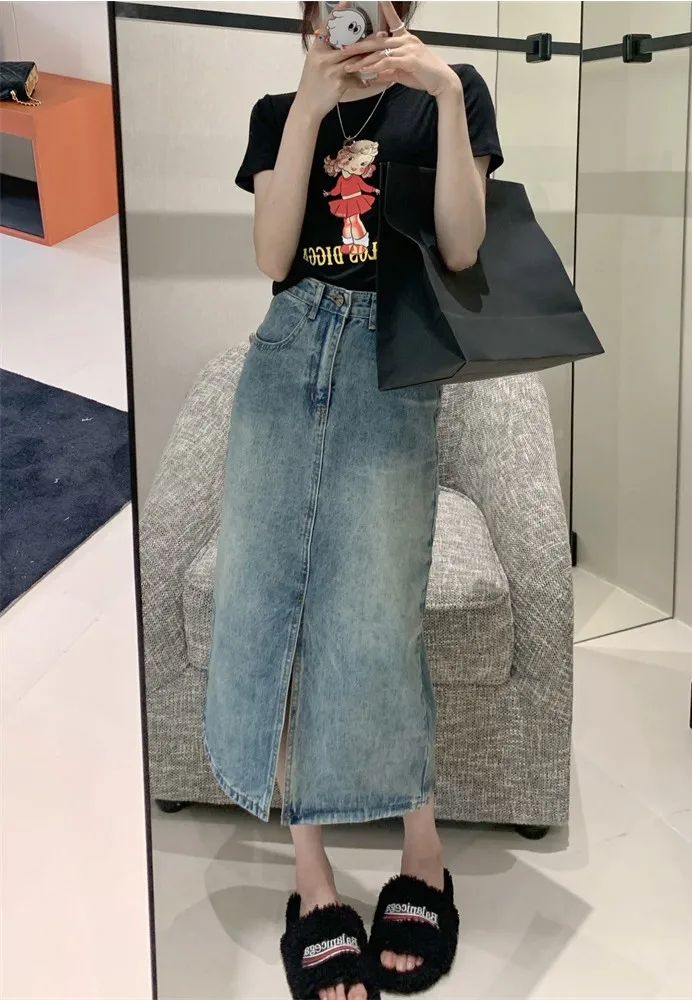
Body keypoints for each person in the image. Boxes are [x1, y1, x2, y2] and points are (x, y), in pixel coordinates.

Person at [203, 3, 503, 997]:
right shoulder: (276, 110)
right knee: (272, 608)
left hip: (389, 366)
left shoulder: (448, 97)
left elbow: (461, 249)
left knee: (378, 619)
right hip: (287, 360)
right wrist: (305, 111)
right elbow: (272, 257)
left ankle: (425, 854)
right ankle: (312, 880)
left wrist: (444, 94)